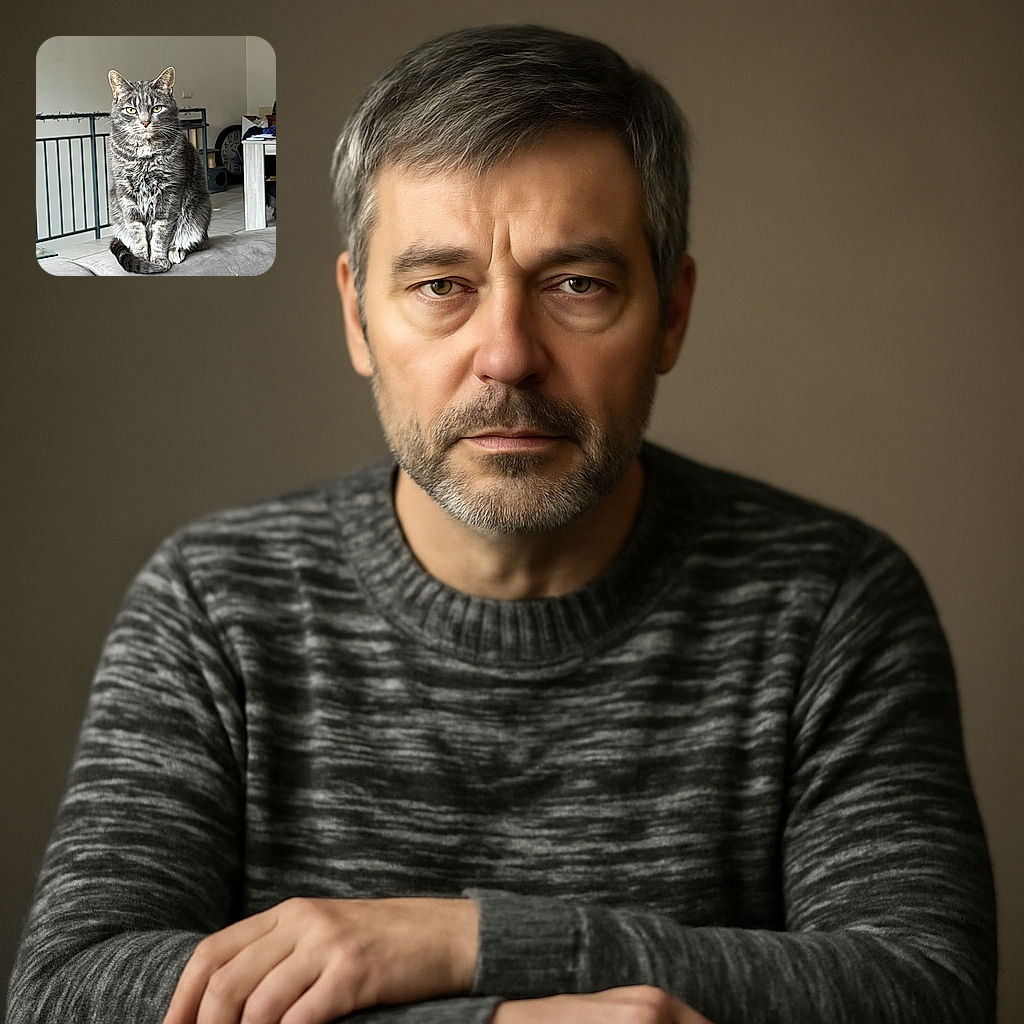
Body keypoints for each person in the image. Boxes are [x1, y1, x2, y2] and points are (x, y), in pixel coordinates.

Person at [7, 24, 996, 1024]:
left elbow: (924, 989)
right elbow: (67, 994)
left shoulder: (830, 603)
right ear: (357, 318)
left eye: (576, 284)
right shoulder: (214, 602)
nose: (508, 355)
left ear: (672, 316)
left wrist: (465, 939)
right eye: (442, 286)